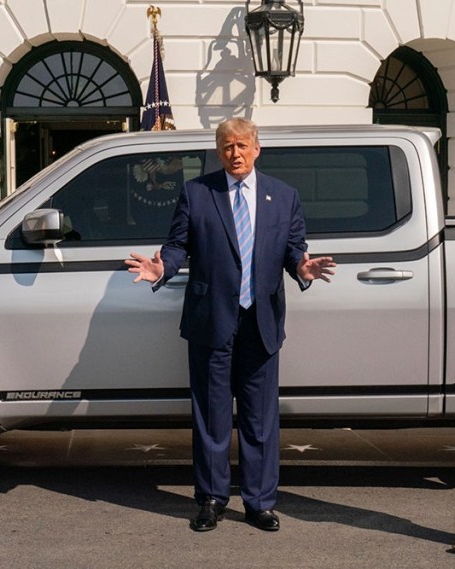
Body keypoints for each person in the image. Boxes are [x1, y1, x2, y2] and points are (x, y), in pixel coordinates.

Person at [126, 118, 335, 532]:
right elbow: (177, 244)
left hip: (261, 322)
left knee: (260, 419)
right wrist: (162, 267)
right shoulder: (197, 193)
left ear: (257, 148)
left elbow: (295, 248)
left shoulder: (284, 196)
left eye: (241, 145)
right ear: (217, 151)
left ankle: (259, 502)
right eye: (226, 147)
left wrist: (302, 266)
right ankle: (211, 499)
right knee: (211, 416)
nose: (234, 153)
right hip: (211, 321)